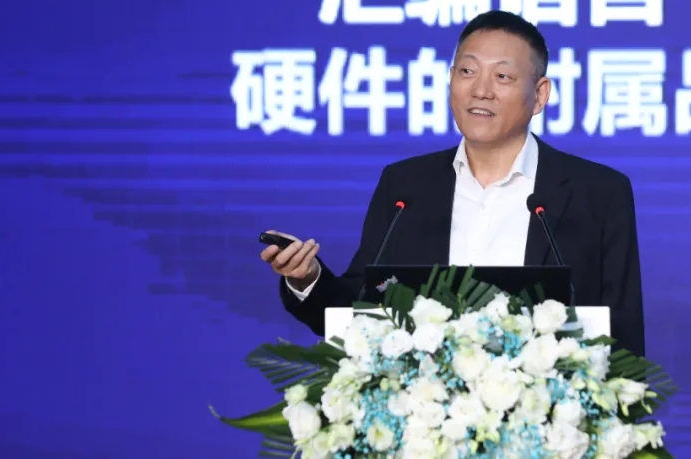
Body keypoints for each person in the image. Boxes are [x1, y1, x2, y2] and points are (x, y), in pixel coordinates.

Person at [260, 10, 646, 357]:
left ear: (539, 95)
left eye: (502, 76)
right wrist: (307, 277)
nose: (481, 90)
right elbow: (360, 311)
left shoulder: (597, 194)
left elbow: (623, 339)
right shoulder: (405, 187)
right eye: (467, 71)